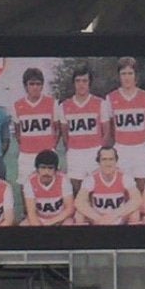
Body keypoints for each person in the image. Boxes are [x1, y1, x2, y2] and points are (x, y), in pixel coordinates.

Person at [58, 64, 108, 194]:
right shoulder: (64, 105)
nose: (81, 84)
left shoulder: (100, 103)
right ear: (73, 83)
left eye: (84, 81)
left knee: (96, 187)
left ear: (89, 83)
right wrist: (71, 148)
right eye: (78, 81)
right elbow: (64, 134)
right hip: (75, 152)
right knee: (76, 188)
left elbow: (106, 131)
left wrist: (100, 151)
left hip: (94, 151)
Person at [106, 57, 145, 191]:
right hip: (120, 148)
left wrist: (141, 139)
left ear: (135, 75)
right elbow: (110, 127)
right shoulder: (111, 98)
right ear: (119, 76)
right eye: (123, 74)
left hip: (140, 149)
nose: (127, 77)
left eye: (130, 73)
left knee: (143, 186)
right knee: (121, 188)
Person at [12, 66, 58, 187]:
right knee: (25, 185)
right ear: (25, 86)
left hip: (47, 152)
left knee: (50, 186)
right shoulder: (17, 105)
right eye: (31, 84)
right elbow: (18, 131)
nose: (35, 87)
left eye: (38, 84)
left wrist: (52, 146)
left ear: (42, 85)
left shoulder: (52, 103)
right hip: (26, 155)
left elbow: (57, 129)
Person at [74, 146, 142, 226]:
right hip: (97, 217)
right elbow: (79, 202)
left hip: (118, 216)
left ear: (116, 161)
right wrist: (99, 218)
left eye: (111, 159)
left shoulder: (125, 177)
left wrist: (113, 216)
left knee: (135, 213)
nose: (108, 163)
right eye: (104, 159)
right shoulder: (91, 179)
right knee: (79, 215)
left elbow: (137, 199)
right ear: (98, 162)